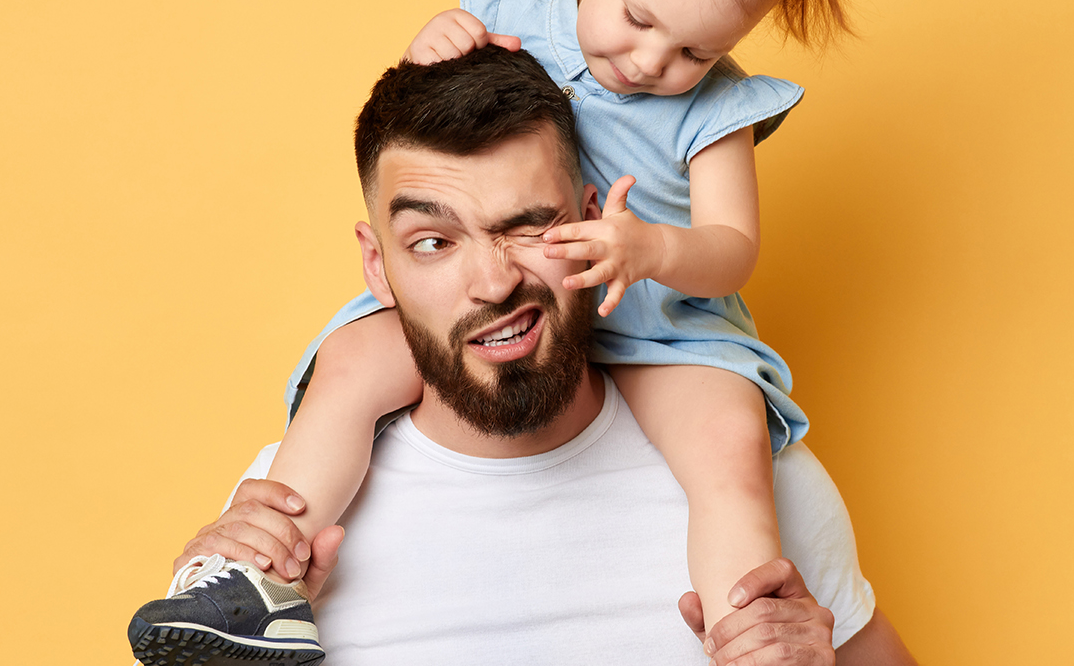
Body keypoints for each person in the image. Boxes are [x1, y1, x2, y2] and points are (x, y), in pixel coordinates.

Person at [237, 0, 911, 654]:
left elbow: (732, 252)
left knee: (731, 448)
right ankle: (256, 578)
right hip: (530, 311)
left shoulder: (718, 110)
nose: (653, 61)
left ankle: (749, 633)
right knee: (350, 360)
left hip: (664, 328)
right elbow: (420, 141)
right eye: (638, 17)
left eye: (698, 48)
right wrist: (433, 48)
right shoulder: (509, 17)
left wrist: (653, 246)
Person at [131, 46, 914, 666]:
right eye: (433, 243)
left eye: (529, 228)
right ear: (378, 268)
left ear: (591, 219)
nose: (494, 281)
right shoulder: (287, 511)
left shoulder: (758, 482)